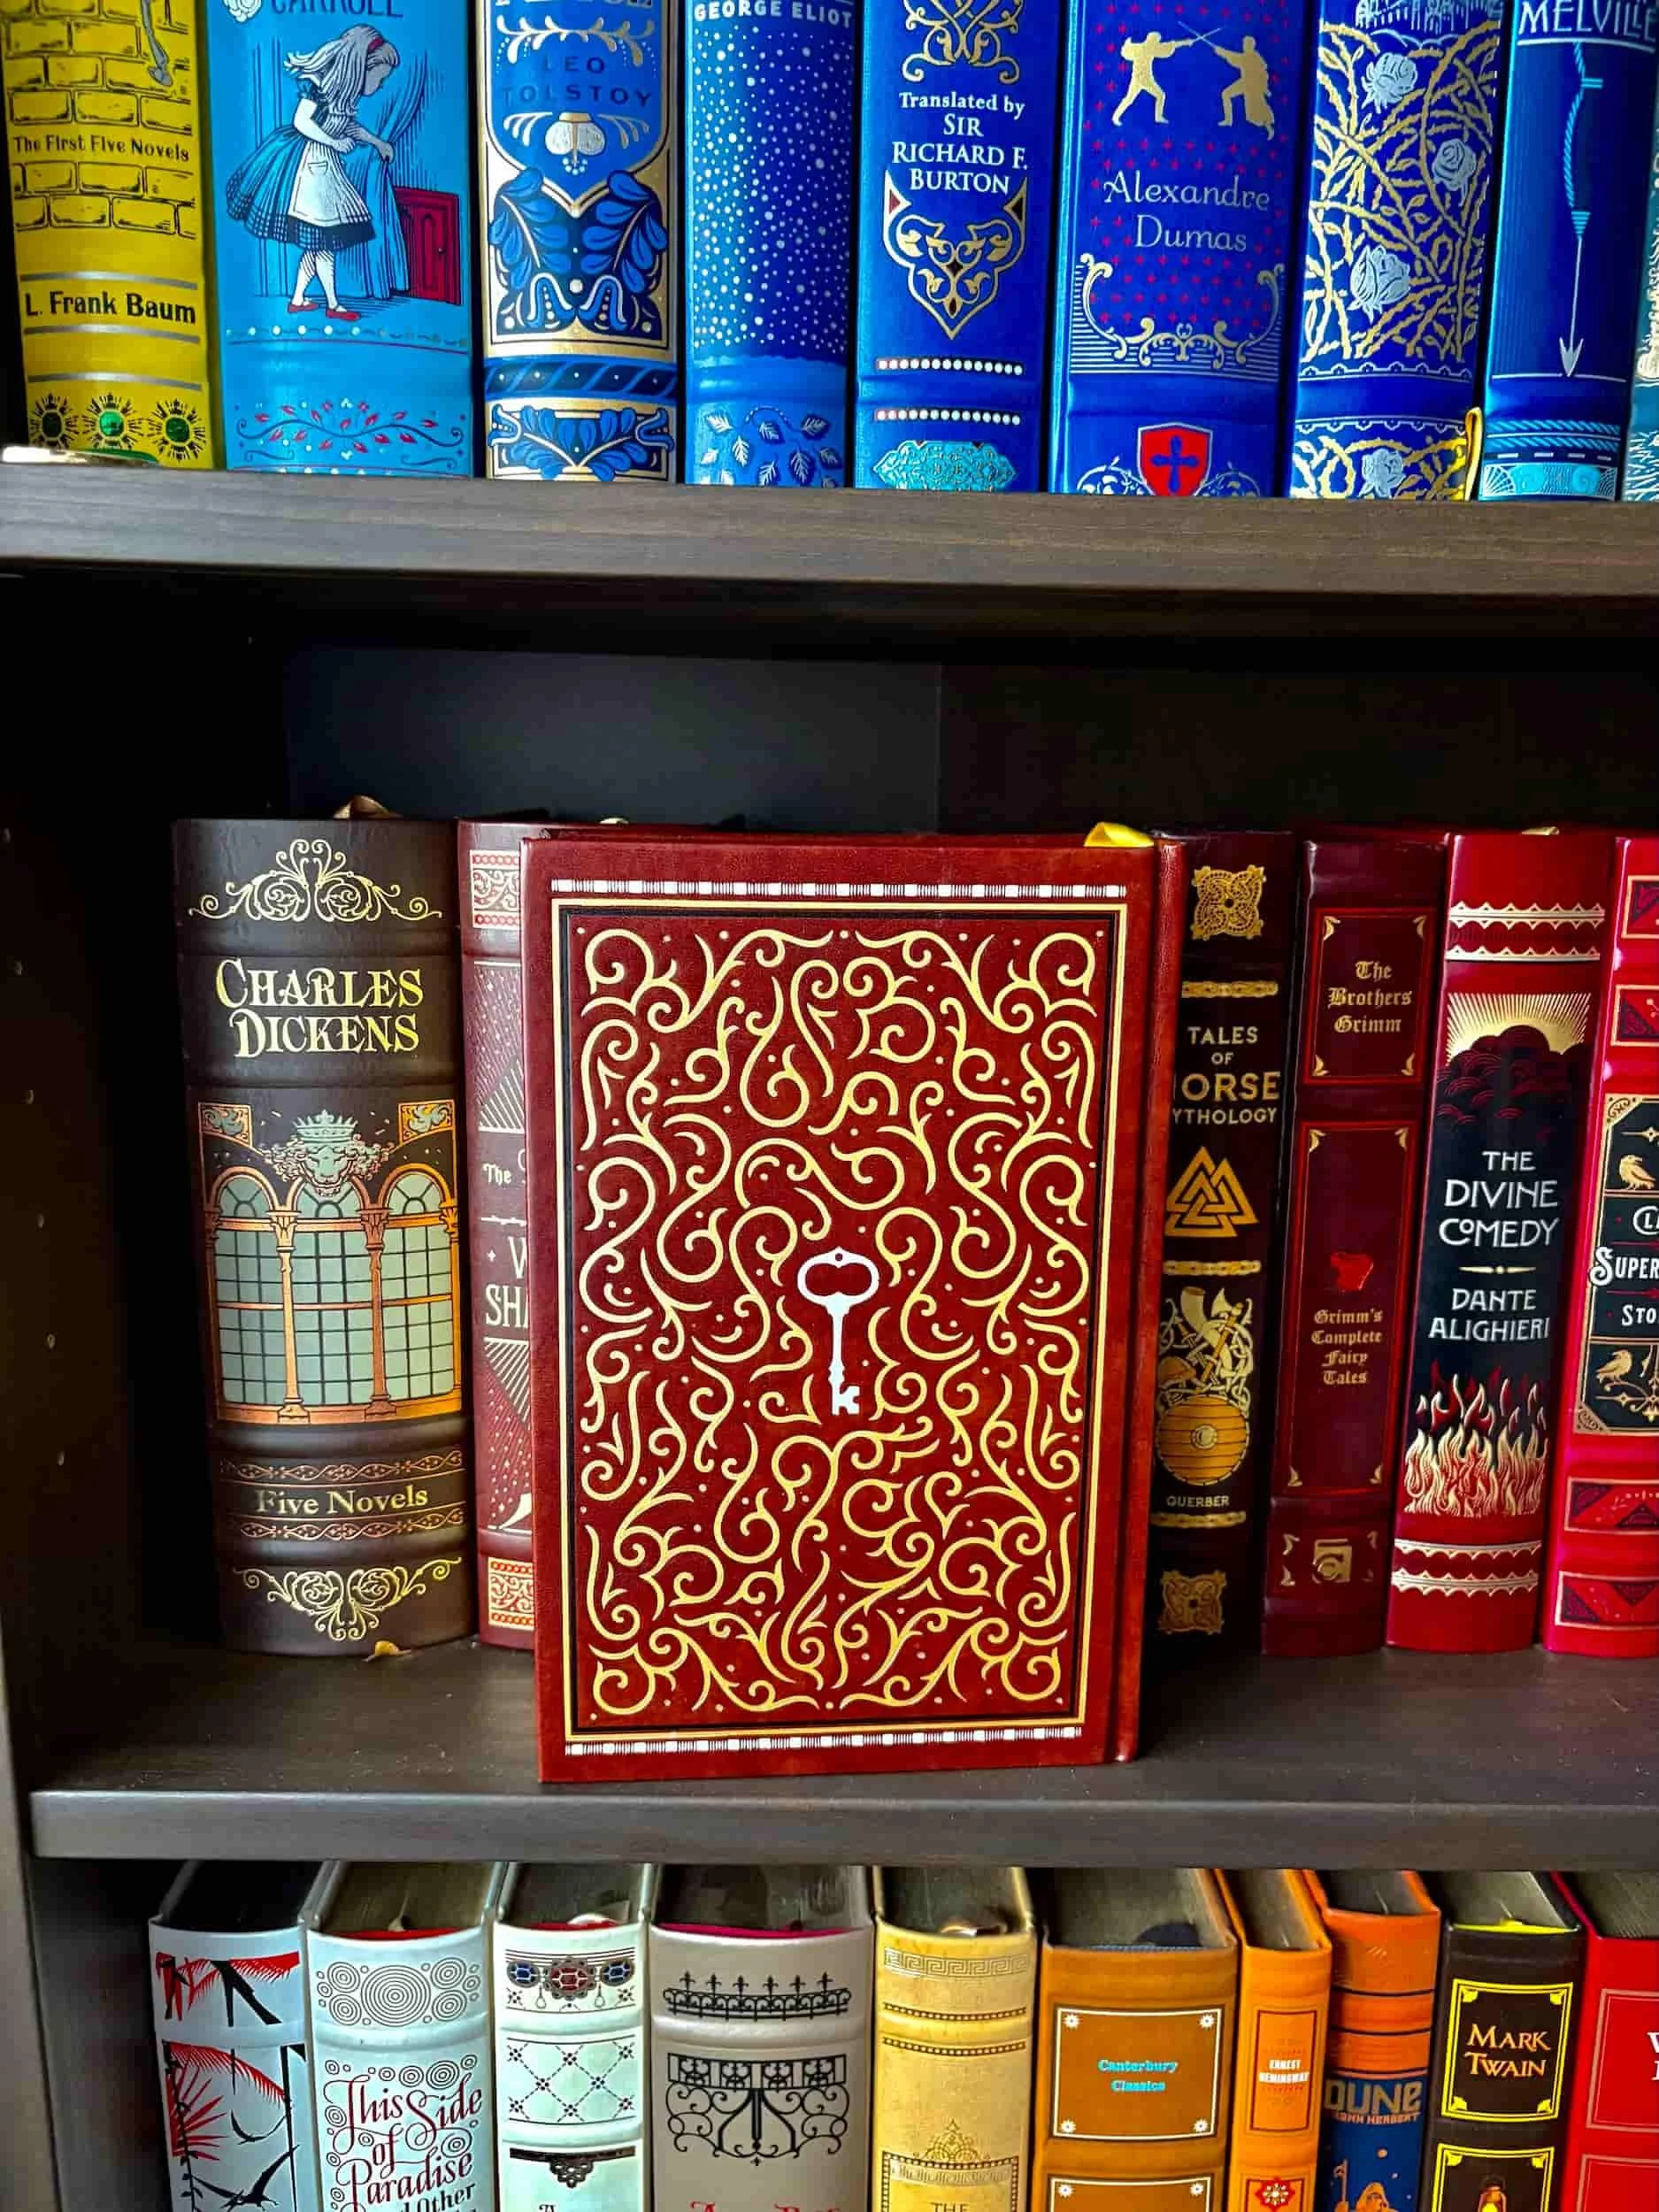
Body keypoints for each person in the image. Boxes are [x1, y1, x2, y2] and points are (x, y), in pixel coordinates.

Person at [223, 27, 399, 322]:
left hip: (324, 166)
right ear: (364, 66)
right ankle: (333, 304)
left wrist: (378, 142)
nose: (381, 86)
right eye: (380, 78)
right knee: (324, 242)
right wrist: (333, 142)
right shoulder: (317, 85)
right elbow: (302, 121)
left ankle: (298, 299)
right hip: (307, 168)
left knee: (318, 244)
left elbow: (348, 127)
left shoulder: (346, 96)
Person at [1111, 29, 1192, 125]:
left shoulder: (1139, 47)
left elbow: (1126, 51)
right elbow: (1170, 45)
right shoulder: (1150, 48)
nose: (1158, 42)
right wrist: (1185, 42)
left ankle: (1116, 117)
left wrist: (1127, 44)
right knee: (1159, 95)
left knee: (1132, 98)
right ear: (1153, 40)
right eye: (1157, 40)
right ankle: (1157, 117)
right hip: (1143, 79)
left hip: (1141, 79)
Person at [1217, 33, 1275, 137]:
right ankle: (1228, 120)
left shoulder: (1253, 57)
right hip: (1245, 82)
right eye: (1244, 44)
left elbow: (1235, 58)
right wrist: (1221, 52)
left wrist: (1265, 89)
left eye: (1245, 44)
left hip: (1252, 85)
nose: (1243, 46)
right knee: (1226, 94)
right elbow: (1234, 57)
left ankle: (1269, 129)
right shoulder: (1249, 56)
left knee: (1259, 108)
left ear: (1250, 46)